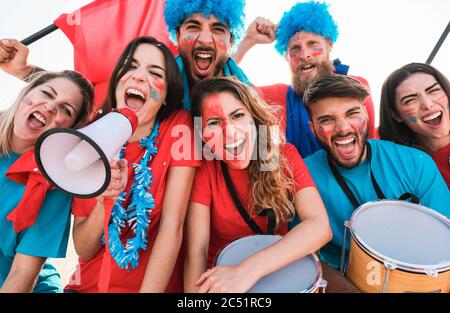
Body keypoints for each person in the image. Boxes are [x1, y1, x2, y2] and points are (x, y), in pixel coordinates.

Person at [64, 36, 199, 293]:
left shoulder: (179, 128)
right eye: (131, 66)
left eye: (154, 72)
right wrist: (105, 201)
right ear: (117, 81)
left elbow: (173, 226)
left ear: (166, 96)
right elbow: (83, 247)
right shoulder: (89, 139)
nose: (138, 77)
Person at [302, 74, 449, 292]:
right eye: (327, 120)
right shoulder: (303, 176)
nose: (343, 128)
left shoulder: (415, 163)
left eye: (352, 113)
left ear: (366, 117)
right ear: (312, 128)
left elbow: (444, 248)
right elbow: (303, 255)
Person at [184, 76, 332, 292]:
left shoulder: (284, 155)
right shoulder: (205, 168)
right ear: (203, 135)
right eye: (215, 123)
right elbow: (197, 250)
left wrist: (246, 271)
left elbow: (320, 227)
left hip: (275, 271)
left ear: (254, 119)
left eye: (238, 116)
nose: (230, 132)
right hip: (220, 280)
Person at [0, 0, 250, 113]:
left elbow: (269, 167)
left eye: (218, 30)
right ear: (177, 34)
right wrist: (25, 71)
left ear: (231, 41)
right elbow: (88, 96)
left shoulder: (252, 102)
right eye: (193, 27)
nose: (205, 39)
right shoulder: (155, 77)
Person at [233, 1, 376, 158]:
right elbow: (224, 82)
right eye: (295, 48)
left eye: (312, 44)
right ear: (287, 57)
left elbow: (371, 152)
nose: (304, 55)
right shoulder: (278, 97)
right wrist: (248, 41)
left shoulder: (357, 88)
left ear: (329, 45)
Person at [0, 70, 94, 292]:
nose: (51, 106)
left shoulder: (53, 186)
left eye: (65, 109)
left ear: (66, 131)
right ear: (26, 93)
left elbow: (22, 274)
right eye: (47, 93)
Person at [379, 62, 450, 188]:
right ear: (396, 115)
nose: (427, 104)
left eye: (433, 91)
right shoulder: (396, 163)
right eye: (410, 100)